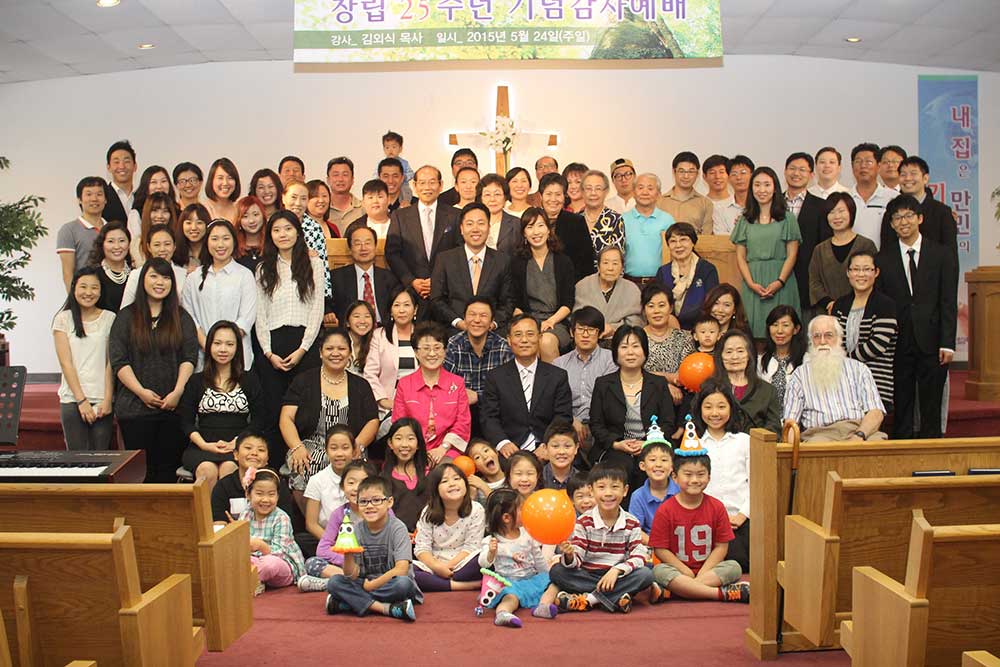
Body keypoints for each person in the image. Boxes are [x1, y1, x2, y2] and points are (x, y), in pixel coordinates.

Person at [109, 258, 198, 482]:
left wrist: (178, 392)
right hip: (134, 409)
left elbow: (189, 357)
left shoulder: (181, 317)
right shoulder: (125, 317)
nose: (160, 282)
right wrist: (141, 392)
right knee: (140, 474)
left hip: (173, 408)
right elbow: (119, 361)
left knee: (169, 470)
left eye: (166, 277)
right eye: (154, 276)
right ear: (143, 281)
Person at [876, 195, 957, 439]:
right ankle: (901, 454)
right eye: (897, 218)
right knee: (903, 403)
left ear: (920, 218)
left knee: (931, 404)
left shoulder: (941, 255)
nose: (904, 222)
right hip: (899, 341)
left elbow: (948, 301)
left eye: (909, 216)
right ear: (891, 225)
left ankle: (932, 454)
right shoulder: (883, 258)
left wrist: (948, 342)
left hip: (933, 341)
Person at [280, 328, 379, 502]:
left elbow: (372, 420)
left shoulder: (361, 385)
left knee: (353, 469)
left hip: (349, 446)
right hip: (311, 445)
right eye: (329, 348)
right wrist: (296, 447)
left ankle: (347, 522)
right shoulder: (303, 381)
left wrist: (358, 445)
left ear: (349, 353)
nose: (335, 353)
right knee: (303, 464)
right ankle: (312, 524)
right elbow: (286, 418)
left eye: (341, 349)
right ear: (320, 352)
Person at [549, 462, 656, 613]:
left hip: (618, 575)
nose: (608, 493)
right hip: (588, 574)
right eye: (601, 487)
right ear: (592, 491)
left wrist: (617, 570)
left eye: (614, 487)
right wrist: (569, 555)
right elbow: (577, 560)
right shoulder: (583, 522)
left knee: (646, 574)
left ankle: (589, 600)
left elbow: (638, 555)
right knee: (557, 571)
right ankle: (616, 597)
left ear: (625, 490)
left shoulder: (631, 522)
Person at [649, 448, 749, 603]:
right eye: (688, 475)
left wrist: (702, 573)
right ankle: (720, 594)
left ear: (709, 477)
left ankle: (676, 592)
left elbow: (721, 547)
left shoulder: (717, 507)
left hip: (709, 570)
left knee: (734, 567)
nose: (695, 480)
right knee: (658, 571)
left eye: (701, 474)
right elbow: (661, 550)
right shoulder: (665, 509)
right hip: (678, 570)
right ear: (674, 476)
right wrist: (685, 572)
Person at [178, 320, 265, 489]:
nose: (223, 349)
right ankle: (207, 516)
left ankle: (229, 516)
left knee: (229, 469)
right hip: (202, 445)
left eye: (229, 344)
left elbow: (259, 420)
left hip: (238, 445)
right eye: (217, 343)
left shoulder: (249, 380)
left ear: (237, 348)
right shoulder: (196, 381)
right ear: (209, 346)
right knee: (207, 471)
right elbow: (186, 422)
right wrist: (204, 444)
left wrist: (238, 442)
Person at [325, 476, 423, 621]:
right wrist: (348, 554)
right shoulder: (356, 530)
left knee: (403, 584)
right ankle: (387, 608)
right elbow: (352, 575)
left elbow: (401, 569)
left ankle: (349, 603)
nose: (369, 506)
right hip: (365, 583)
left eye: (376, 500)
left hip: (390, 583)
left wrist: (372, 585)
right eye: (363, 502)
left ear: (389, 502)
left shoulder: (398, 528)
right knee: (334, 582)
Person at [481, 314, 573, 458]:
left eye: (530, 334)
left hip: (548, 448)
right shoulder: (495, 377)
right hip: (510, 449)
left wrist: (549, 444)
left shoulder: (557, 376)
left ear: (540, 337)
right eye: (518, 335)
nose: (524, 340)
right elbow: (489, 417)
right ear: (509, 340)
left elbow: (563, 416)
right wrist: (503, 442)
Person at [589, 325, 674, 481]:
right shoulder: (603, 384)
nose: (630, 352)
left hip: (652, 445)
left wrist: (647, 443)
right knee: (620, 469)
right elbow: (596, 425)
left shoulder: (658, 383)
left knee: (650, 465)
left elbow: (668, 423)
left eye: (636, 346)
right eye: (624, 347)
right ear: (616, 352)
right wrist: (617, 444)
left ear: (645, 351)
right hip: (615, 447)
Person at [783, 315, 887, 442]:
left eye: (828, 335)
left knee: (878, 446)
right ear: (811, 341)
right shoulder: (799, 375)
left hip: (860, 430)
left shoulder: (859, 369)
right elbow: (790, 422)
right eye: (816, 336)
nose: (822, 341)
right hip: (820, 435)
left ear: (839, 338)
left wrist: (859, 436)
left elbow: (875, 412)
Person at [731, 166, 802, 338]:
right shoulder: (745, 220)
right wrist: (750, 283)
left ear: (775, 188)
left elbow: (792, 254)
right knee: (751, 334)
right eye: (757, 185)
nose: (762, 190)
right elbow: (740, 256)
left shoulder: (787, 218)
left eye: (767, 185)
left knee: (782, 332)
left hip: (781, 281)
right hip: (752, 282)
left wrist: (779, 282)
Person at [53, 267, 116, 451]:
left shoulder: (110, 318)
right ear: (74, 289)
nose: (88, 293)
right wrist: (81, 401)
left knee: (101, 459)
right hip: (73, 399)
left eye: (94, 288)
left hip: (102, 400)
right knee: (77, 460)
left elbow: (110, 363)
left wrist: (107, 398)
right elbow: (66, 363)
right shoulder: (63, 319)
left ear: (101, 290)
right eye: (83, 287)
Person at [181, 219, 257, 370]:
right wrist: (209, 347)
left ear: (234, 242)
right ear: (207, 242)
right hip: (203, 358)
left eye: (226, 238)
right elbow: (190, 319)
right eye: (214, 239)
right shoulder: (194, 278)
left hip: (239, 358)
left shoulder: (244, 275)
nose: (220, 245)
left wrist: (225, 346)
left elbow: (246, 318)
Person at [392, 321, 472, 464]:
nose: (432, 353)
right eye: (426, 348)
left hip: (448, 450)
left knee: (445, 473)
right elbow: (400, 423)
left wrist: (443, 448)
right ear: (416, 352)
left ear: (445, 350)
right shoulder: (404, 384)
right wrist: (418, 451)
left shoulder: (457, 383)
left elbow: (463, 423)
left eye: (437, 348)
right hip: (412, 450)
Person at [479, 489, 560, 626]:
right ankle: (503, 613)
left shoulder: (527, 533)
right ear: (506, 518)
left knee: (555, 583)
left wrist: (546, 573)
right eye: (522, 509)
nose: (526, 512)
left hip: (530, 578)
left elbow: (538, 557)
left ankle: (542, 606)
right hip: (509, 583)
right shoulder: (492, 540)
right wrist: (491, 553)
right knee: (511, 598)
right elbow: (483, 563)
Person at [693, 380, 750, 572]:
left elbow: (757, 483)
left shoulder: (744, 441)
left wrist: (743, 514)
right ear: (699, 409)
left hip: (740, 518)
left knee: (742, 560)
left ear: (731, 408)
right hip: (705, 521)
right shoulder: (694, 443)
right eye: (708, 407)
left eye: (721, 406)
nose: (715, 413)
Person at [431, 202, 514, 334]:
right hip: (453, 330)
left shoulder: (502, 261)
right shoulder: (445, 259)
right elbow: (437, 299)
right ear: (462, 229)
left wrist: (491, 324)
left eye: (481, 223)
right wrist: (458, 323)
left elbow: (508, 302)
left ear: (489, 227)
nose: (475, 229)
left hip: (491, 332)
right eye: (470, 224)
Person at [832, 250, 898, 414]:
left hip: (876, 383)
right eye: (856, 269)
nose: (861, 274)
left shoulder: (885, 304)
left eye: (867, 269)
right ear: (848, 273)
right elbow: (834, 340)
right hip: (842, 383)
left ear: (876, 273)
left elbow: (877, 345)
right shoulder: (840, 304)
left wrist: (845, 361)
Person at [386, 165, 460, 309]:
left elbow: (459, 251)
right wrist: (412, 281)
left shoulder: (455, 215)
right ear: (414, 185)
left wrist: (438, 280)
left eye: (432, 182)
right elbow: (392, 253)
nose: (427, 187)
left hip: (446, 292)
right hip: (411, 292)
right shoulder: (400, 216)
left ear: (441, 185)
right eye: (422, 182)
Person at [299, 460, 378, 588]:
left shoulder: (382, 511)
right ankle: (349, 581)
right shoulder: (339, 514)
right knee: (312, 563)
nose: (356, 488)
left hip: (375, 563)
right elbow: (322, 549)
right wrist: (348, 560)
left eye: (363, 483)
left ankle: (335, 583)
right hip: (346, 564)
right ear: (342, 486)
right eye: (351, 483)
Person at [510, 207, 574, 360]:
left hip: (556, 321)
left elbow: (568, 303)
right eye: (530, 227)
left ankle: (552, 384)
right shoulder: (517, 263)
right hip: (528, 320)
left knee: (545, 341)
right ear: (524, 233)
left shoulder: (563, 261)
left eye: (540, 225)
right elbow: (515, 303)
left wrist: (550, 321)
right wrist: (527, 325)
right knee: (526, 340)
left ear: (548, 230)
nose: (536, 232)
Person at [443, 297, 513, 433]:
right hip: (460, 414)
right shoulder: (453, 345)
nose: (477, 320)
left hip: (496, 414)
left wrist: (478, 397)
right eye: (472, 314)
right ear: (464, 318)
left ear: (492, 321)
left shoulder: (503, 347)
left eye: (483, 315)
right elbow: (446, 386)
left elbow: (508, 392)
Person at [413, 463, 486, 592]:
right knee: (407, 571)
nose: (452, 484)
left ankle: (437, 583)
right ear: (436, 490)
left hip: (464, 562)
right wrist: (437, 567)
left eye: (457, 479)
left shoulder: (476, 509)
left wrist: (448, 567)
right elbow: (421, 548)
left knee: (484, 557)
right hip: (434, 564)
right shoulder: (428, 511)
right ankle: (460, 586)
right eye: (445, 481)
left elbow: (472, 547)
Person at [553, 307, 618, 449]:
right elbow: (555, 401)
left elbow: (609, 400)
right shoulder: (559, 363)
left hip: (602, 425)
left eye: (592, 330)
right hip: (568, 426)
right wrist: (571, 419)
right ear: (572, 332)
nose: (585, 334)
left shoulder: (611, 361)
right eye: (581, 329)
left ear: (600, 333)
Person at [808, 192, 877, 314]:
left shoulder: (866, 245)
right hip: (827, 312)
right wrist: (829, 303)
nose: (837, 216)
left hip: (862, 309)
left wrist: (847, 304)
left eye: (841, 211)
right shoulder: (819, 249)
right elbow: (814, 282)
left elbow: (874, 279)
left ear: (851, 212)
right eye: (831, 212)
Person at [241, 468, 306, 593]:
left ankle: (250, 580)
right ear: (248, 495)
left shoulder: (281, 518)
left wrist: (260, 546)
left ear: (277, 496)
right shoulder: (246, 514)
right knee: (238, 561)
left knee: (270, 564)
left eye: (271, 494)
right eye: (259, 494)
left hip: (281, 563)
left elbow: (280, 552)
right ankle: (254, 579)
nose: (265, 500)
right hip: (254, 560)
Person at [364, 286, 420, 429]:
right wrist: (384, 401)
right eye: (396, 305)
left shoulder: (424, 335)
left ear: (415, 310)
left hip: (420, 402)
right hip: (388, 404)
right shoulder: (379, 335)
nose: (401, 310)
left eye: (407, 305)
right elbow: (370, 373)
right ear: (390, 310)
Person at [879, 156, 958, 254]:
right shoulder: (891, 211)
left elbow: (951, 254)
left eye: (913, 174)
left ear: (925, 178)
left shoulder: (942, 212)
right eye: (903, 174)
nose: (908, 178)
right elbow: (886, 251)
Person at [784, 152, 832, 315]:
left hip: (806, 280)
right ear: (785, 172)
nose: (796, 173)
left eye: (802, 170)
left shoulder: (821, 207)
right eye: (792, 168)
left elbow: (824, 246)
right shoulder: (771, 204)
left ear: (811, 175)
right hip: (774, 278)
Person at [210, 430, 292, 524]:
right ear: (236, 454)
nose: (254, 453)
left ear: (267, 458)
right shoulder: (223, 486)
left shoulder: (277, 483)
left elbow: (286, 521)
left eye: (261, 450)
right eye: (248, 448)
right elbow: (219, 524)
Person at [330, 223, 400, 326]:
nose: (363, 248)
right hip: (349, 331)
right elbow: (325, 302)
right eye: (357, 244)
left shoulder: (390, 278)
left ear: (375, 246)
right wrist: (328, 312)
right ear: (350, 249)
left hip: (382, 331)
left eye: (368, 243)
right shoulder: (336, 277)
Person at [712, 329, 781, 434]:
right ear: (720, 356)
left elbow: (774, 429)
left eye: (740, 351)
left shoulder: (768, 391)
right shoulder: (710, 387)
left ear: (749, 355)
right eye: (729, 352)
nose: (735, 357)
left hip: (755, 447)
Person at [655, 222, 720, 330]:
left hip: (701, 330)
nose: (678, 245)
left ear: (693, 242)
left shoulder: (707, 269)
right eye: (673, 241)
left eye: (683, 239)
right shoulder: (663, 272)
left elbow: (711, 304)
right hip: (669, 329)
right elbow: (657, 301)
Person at [573, 246, 642, 346]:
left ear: (622, 267)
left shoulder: (632, 289)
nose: (610, 268)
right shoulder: (582, 286)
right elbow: (575, 320)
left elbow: (637, 322)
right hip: (587, 342)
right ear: (598, 266)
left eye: (615, 263)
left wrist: (613, 329)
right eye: (605, 263)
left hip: (621, 342)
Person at [642, 283, 694, 406]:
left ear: (670, 308)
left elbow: (687, 375)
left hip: (681, 398)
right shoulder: (636, 338)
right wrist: (665, 383)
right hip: (645, 396)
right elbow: (634, 373)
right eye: (651, 306)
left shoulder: (685, 337)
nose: (656, 311)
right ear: (644, 310)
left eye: (661, 305)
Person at [303, 427, 359, 542]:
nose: (339, 453)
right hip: (329, 540)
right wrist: (335, 543)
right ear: (326, 451)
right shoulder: (317, 480)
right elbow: (311, 524)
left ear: (353, 451)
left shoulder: (364, 477)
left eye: (345, 448)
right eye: (333, 448)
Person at [537, 173, 595, 282]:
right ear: (541, 196)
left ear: (564, 196)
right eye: (548, 194)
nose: (553, 199)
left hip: (570, 285)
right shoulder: (533, 220)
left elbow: (586, 262)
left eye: (558, 194)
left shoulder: (576, 222)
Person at [622, 173, 674, 284]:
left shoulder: (668, 220)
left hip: (660, 283)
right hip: (629, 283)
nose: (645, 192)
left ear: (659, 194)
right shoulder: (622, 220)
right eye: (640, 188)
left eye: (650, 188)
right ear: (633, 192)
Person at [58, 176, 108, 291]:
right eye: (89, 194)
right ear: (79, 199)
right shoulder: (69, 230)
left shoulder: (113, 229)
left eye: (99, 194)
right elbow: (68, 274)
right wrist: (74, 302)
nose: (94, 199)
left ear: (106, 199)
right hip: (86, 294)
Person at [381, 417, 431, 531]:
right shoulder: (384, 478)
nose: (404, 444)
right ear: (390, 443)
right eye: (398, 438)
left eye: (410, 438)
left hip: (426, 539)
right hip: (395, 537)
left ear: (418, 444)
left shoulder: (430, 475)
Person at [120, 226, 188, 308]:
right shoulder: (136, 275)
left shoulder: (184, 275)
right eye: (157, 245)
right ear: (149, 247)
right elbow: (125, 308)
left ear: (174, 246)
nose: (162, 249)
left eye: (167, 244)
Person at [849, 143, 899, 248]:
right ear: (852, 166)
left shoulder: (893, 198)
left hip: (883, 260)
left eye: (868, 161)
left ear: (879, 166)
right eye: (858, 161)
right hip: (851, 262)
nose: (863, 166)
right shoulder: (844, 198)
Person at [626, 438, 679, 537]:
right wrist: (657, 546)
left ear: (672, 466)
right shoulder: (638, 496)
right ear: (642, 466)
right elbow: (636, 530)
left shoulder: (681, 492)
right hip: (650, 545)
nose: (658, 464)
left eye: (664, 460)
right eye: (652, 460)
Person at [757, 305, 805, 409]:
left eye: (785, 325)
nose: (779, 331)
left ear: (796, 329)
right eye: (774, 325)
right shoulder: (760, 361)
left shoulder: (806, 361)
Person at [658, 152, 714, 234]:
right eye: (682, 171)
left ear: (697, 174)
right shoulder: (659, 202)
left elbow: (707, 237)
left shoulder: (706, 203)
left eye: (691, 172)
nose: (686, 176)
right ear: (674, 172)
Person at [579, 170, 625, 266]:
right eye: (588, 189)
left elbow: (618, 259)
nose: (593, 193)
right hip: (578, 279)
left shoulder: (615, 219)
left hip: (607, 278)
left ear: (606, 191)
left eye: (598, 189)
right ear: (582, 192)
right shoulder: (575, 219)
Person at [86, 221, 132, 312]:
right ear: (102, 245)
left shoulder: (136, 274)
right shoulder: (93, 275)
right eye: (111, 241)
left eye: (122, 241)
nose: (117, 246)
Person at [476, 173, 521, 256]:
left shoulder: (516, 223)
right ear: (480, 198)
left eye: (497, 194)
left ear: (505, 197)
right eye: (487, 194)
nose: (492, 199)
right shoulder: (473, 223)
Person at [713, 156, 754, 236]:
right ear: (728, 178)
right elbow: (720, 237)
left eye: (743, 173)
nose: (739, 177)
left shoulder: (762, 205)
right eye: (734, 174)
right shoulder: (720, 208)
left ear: (752, 175)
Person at [132, 190, 176, 265]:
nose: (160, 216)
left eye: (165, 211)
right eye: (155, 211)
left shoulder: (178, 239)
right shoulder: (137, 243)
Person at [323, 157, 363, 234]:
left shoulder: (364, 208)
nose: (340, 179)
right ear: (328, 180)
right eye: (336, 175)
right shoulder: (321, 209)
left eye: (345, 174)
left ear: (352, 180)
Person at [102, 140, 136, 226]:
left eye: (126, 161)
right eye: (116, 162)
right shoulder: (102, 198)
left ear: (135, 166)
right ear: (108, 167)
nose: (122, 166)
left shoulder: (143, 197)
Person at [540, 420, 580, 491]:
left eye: (567, 446)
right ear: (545, 448)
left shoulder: (582, 481)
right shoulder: (537, 479)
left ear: (576, 448)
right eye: (555, 446)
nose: (561, 452)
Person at [234, 195, 267, 272]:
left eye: (255, 214)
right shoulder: (233, 247)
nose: (251, 221)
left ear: (263, 216)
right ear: (239, 220)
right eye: (245, 216)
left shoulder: (272, 244)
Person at [343, 301, 375, 375]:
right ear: (347, 322)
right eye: (356, 316)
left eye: (367, 316)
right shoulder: (339, 343)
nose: (362, 321)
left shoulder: (375, 344)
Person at [204, 157, 240, 223]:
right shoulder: (202, 209)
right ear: (211, 180)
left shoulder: (240, 208)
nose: (225, 183)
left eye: (230, 178)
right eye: (220, 178)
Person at [175, 203, 209, 272]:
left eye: (199, 223)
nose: (194, 228)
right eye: (188, 223)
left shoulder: (213, 253)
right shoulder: (174, 252)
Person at [703, 155, 731, 231]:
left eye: (721, 172)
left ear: (729, 175)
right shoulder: (700, 204)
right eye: (712, 173)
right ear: (704, 177)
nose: (717, 176)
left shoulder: (737, 204)